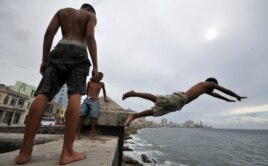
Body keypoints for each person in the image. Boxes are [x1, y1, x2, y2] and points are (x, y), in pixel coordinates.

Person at [15, 3, 98, 165]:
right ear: (89, 10)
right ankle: (67, 152)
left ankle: (24, 152)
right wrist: (95, 66)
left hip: (59, 49)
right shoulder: (89, 16)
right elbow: (90, 38)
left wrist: (45, 59)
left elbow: (49, 33)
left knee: (43, 94)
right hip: (79, 52)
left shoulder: (62, 12)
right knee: (75, 94)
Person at [122, 78, 247, 126]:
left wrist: (227, 100)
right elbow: (224, 90)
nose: (213, 88)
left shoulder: (205, 90)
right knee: (158, 99)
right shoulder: (207, 84)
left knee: (155, 111)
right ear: (212, 83)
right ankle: (134, 93)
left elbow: (216, 95)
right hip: (180, 98)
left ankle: (134, 115)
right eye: (214, 86)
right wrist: (237, 96)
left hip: (179, 104)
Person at [76, 72, 109, 140]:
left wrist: (105, 98)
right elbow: (87, 91)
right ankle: (78, 132)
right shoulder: (89, 82)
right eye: (98, 77)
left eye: (101, 77)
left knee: (93, 115)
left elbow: (104, 91)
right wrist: (88, 96)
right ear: (95, 76)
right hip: (87, 100)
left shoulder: (101, 84)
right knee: (81, 113)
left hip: (95, 100)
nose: (99, 78)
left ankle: (92, 133)